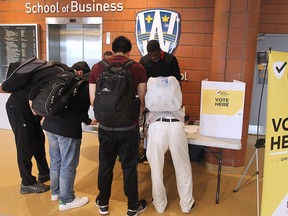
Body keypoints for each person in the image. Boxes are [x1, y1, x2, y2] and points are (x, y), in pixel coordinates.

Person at [89, 36, 147, 216]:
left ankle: (103, 203)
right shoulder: (137, 68)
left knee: (105, 165)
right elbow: (142, 101)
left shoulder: (98, 67)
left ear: (112, 50)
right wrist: (133, 118)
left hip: (105, 127)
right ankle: (132, 206)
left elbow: (93, 101)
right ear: (129, 51)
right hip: (128, 128)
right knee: (129, 166)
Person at [5, 60, 66, 194]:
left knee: (38, 140)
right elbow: (33, 94)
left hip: (29, 108)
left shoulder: (57, 72)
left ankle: (44, 172)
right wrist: (41, 117)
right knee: (25, 145)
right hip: (18, 108)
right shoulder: (57, 75)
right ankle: (27, 182)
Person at [39, 61, 92, 211]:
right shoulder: (85, 86)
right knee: (68, 164)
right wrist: (88, 120)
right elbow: (81, 110)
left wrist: (86, 120)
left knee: (56, 160)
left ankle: (55, 193)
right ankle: (67, 200)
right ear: (82, 73)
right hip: (67, 130)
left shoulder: (63, 80)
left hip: (50, 125)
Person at [145, 77, 195, 214]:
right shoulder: (173, 81)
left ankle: (160, 205)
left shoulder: (151, 82)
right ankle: (186, 204)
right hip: (176, 125)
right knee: (182, 166)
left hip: (157, 126)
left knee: (156, 167)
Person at [138, 39, 182, 163]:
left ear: (160, 50)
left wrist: (178, 99)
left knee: (165, 125)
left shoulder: (170, 60)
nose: (152, 58)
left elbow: (177, 81)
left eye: (155, 55)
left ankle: (167, 151)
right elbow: (142, 81)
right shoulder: (144, 60)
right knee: (148, 126)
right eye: (150, 55)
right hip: (151, 99)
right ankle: (147, 151)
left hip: (168, 99)